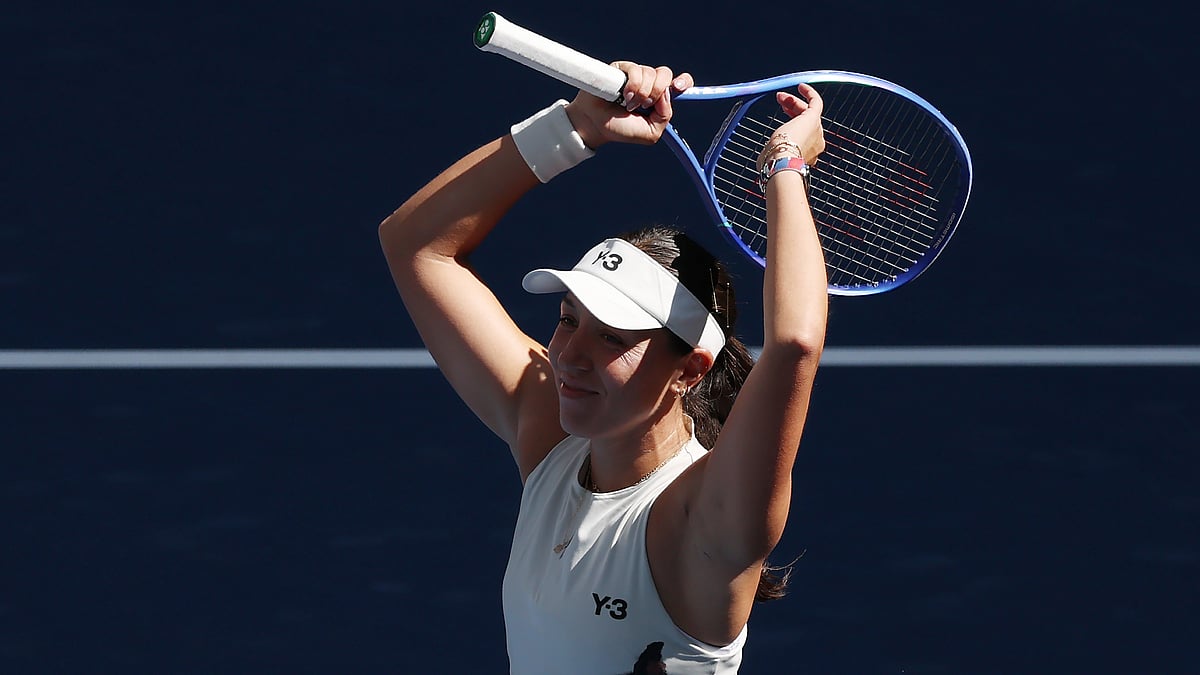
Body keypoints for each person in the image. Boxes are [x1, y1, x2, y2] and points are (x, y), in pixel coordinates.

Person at [378, 60, 827, 673]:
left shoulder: (706, 521)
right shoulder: (552, 439)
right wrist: (575, 127)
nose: (568, 356)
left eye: (612, 337)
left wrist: (784, 166)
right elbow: (414, 244)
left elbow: (795, 343)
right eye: (568, 319)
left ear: (690, 370)